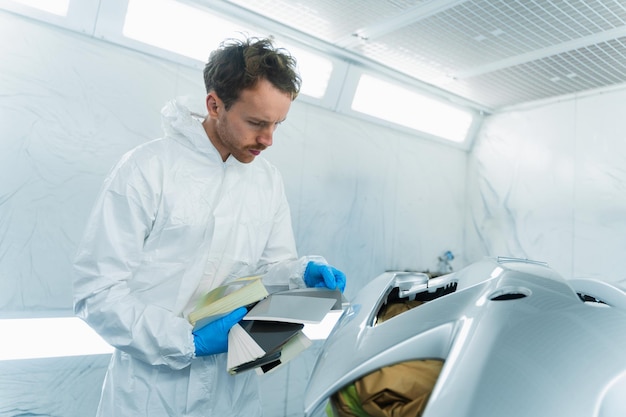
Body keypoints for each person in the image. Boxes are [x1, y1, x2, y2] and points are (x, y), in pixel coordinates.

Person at [73, 37, 346, 417]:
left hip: (231, 393)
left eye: (277, 125)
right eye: (256, 123)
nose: (267, 140)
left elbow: (267, 277)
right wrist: (186, 341)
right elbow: (97, 292)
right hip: (151, 394)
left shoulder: (266, 180)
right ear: (214, 104)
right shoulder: (147, 170)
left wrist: (300, 276)